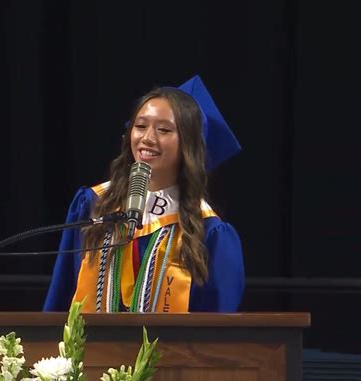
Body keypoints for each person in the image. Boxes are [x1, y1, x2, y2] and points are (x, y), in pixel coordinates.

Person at [43, 75, 244, 313]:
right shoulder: (94, 205)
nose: (147, 138)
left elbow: (218, 326)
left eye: (163, 129)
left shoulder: (208, 231)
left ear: (188, 145)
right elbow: (60, 298)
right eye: (140, 126)